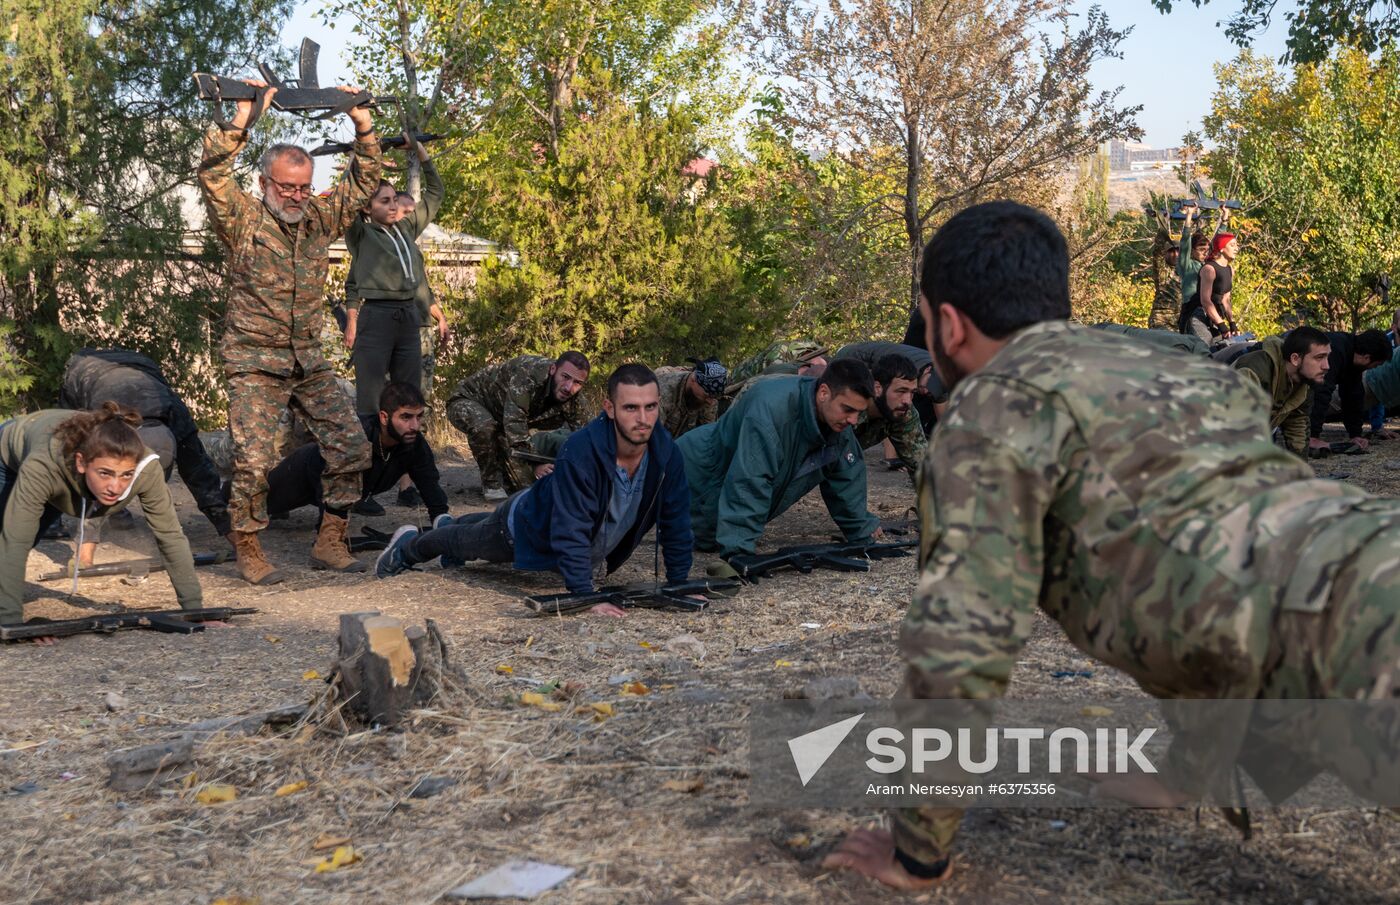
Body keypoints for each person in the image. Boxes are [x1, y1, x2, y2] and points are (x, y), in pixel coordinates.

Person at [822, 201, 1400, 890]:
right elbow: (1218, 554)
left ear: (946, 323)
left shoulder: (990, 413)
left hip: (1349, 640)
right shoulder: (1166, 364)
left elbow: (961, 651)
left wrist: (917, 851)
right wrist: (1186, 774)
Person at [198, 79, 381, 585]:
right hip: (255, 361)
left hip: (307, 360)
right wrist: (239, 120)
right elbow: (213, 174)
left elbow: (364, 185)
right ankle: (250, 547)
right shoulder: (243, 221)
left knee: (351, 444)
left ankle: (330, 540)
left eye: (304, 187)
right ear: (264, 184)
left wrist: (361, 122)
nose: (298, 196)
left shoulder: (320, 218)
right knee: (254, 459)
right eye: (287, 188)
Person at [376, 364, 692, 617]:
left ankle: (453, 522)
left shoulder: (667, 454)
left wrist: (679, 585)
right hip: (525, 525)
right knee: (462, 543)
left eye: (650, 407)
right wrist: (584, 596)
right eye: (631, 408)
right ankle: (407, 547)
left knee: (478, 525)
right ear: (609, 408)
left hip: (545, 511)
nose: (642, 419)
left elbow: (676, 520)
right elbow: (570, 529)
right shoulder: (582, 451)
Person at [0, 405, 202, 633]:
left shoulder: (147, 470)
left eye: (126, 475)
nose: (115, 487)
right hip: (9, 452)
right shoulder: (43, 467)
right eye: (105, 473)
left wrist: (195, 612)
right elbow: (15, 541)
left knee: (27, 539)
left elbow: (170, 535)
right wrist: (11, 625)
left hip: (64, 475)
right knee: (12, 536)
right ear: (81, 463)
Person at [677, 358, 880, 569]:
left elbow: (846, 477)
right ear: (823, 393)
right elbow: (751, 478)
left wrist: (861, 531)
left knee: (709, 542)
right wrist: (739, 550)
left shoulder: (837, 423)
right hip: (691, 476)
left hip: (719, 495)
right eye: (848, 409)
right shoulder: (769, 410)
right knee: (693, 538)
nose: (854, 421)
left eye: (859, 412)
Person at [59, 348, 231, 562]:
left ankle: (116, 511)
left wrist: (230, 530)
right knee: (72, 450)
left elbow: (199, 472)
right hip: (86, 370)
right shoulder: (101, 416)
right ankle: (52, 516)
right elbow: (92, 475)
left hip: (142, 365)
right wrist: (84, 558)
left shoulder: (176, 414)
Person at [247, 383, 449, 562]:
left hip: (336, 488)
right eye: (406, 417)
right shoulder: (356, 437)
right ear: (384, 417)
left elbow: (431, 489)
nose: (414, 425)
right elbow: (331, 483)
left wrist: (445, 531)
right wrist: (329, 533)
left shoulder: (414, 444)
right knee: (254, 502)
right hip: (305, 472)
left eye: (419, 417)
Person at [343, 135, 444, 418]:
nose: (391, 206)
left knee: (408, 396)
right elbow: (346, 196)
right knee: (372, 399)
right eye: (384, 201)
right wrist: (356, 156)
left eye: (393, 200)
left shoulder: (406, 228)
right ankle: (372, 458)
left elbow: (435, 193)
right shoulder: (361, 235)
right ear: (366, 207)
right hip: (377, 318)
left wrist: (420, 151)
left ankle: (405, 457)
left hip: (409, 316)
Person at [446, 352, 591, 500]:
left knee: (523, 488)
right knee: (485, 426)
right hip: (467, 400)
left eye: (577, 382)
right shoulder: (529, 374)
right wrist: (536, 464)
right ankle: (491, 483)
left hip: (502, 419)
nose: (568, 387)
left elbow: (589, 439)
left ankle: (504, 477)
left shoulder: (575, 399)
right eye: (565, 377)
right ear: (553, 369)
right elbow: (516, 427)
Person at [1232, 327, 1331, 458]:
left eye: (1327, 357)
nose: (1327, 366)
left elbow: (1297, 427)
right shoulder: (1254, 370)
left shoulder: (1303, 383)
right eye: (1319, 358)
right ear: (1295, 359)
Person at [1307, 329, 1391, 454]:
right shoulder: (1335, 350)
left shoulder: (1354, 361)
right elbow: (1321, 392)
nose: (1373, 368)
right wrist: (1313, 436)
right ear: (1367, 357)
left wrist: (1355, 435)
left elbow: (1353, 396)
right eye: (1376, 365)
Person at [849, 353, 926, 478]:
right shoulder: (848, 404)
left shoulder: (905, 412)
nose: (908, 401)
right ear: (877, 388)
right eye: (901, 391)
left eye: (912, 392)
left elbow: (923, 467)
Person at [1181, 231, 1240, 343]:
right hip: (1198, 315)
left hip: (1214, 317)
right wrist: (1221, 325)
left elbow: (1225, 300)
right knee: (1206, 346)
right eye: (1232, 245)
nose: (1236, 248)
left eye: (1237, 245)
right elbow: (1205, 301)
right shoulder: (1209, 269)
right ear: (1221, 248)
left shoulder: (1230, 270)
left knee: (1225, 344)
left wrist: (1232, 323)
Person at [655, 358, 727, 439]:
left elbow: (708, 437)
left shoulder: (709, 400)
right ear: (694, 379)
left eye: (715, 397)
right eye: (707, 395)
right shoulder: (663, 392)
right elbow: (652, 438)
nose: (711, 402)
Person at [1146, 230, 1182, 330]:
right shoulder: (1163, 271)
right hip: (1162, 321)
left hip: (1180, 322)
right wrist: (1163, 227)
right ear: (1165, 254)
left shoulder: (1186, 271)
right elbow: (1158, 252)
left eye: (1178, 251)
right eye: (1171, 251)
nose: (1176, 254)